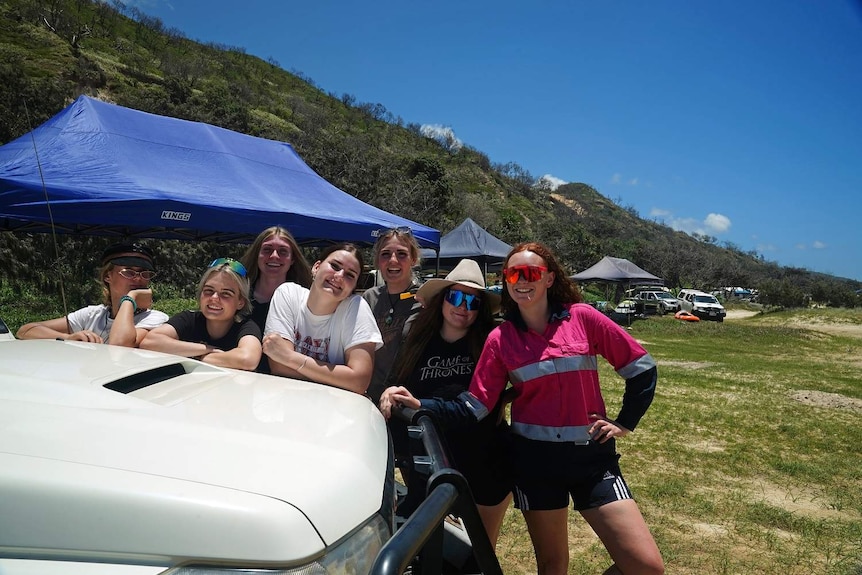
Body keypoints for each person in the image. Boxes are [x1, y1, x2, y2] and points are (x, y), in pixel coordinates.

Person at [384, 242, 664, 575]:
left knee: (646, 566)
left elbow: (641, 367)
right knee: (552, 564)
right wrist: (421, 405)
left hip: (592, 457)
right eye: (514, 273)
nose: (522, 280)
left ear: (549, 278)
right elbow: (475, 406)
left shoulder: (583, 317)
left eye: (531, 272)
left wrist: (625, 422)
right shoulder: (500, 339)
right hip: (535, 461)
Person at [379, 259, 512, 546]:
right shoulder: (417, 338)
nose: (463, 307)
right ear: (442, 299)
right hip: (428, 458)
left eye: (473, 302)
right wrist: (390, 392)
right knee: (428, 548)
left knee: (478, 552)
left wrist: (420, 404)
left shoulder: (491, 342)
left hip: (484, 460)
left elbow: (479, 407)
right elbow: (395, 380)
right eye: (456, 296)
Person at [263, 243, 383, 394]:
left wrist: (289, 357)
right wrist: (340, 379)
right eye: (334, 266)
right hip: (286, 401)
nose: (339, 276)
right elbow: (279, 367)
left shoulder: (356, 308)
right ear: (316, 267)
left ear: (353, 288)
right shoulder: (288, 294)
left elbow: (359, 381)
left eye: (350, 275)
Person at [16, 242, 168, 346]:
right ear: (107, 276)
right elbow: (25, 330)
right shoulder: (92, 315)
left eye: (145, 274)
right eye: (128, 272)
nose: (137, 278)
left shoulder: (155, 318)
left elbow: (120, 344)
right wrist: (69, 338)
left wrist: (130, 299)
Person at [140, 258, 262, 371]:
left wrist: (201, 357)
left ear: (240, 302)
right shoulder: (188, 319)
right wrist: (207, 349)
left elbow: (248, 359)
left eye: (226, 294)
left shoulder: (247, 327)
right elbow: (149, 342)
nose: (214, 298)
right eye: (209, 290)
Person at [362, 226, 423, 403]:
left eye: (402, 254)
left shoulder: (426, 299)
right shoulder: (369, 298)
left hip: (405, 399)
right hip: (368, 398)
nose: (393, 260)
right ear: (378, 261)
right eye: (386, 254)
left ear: (413, 259)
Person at [240, 226, 313, 372]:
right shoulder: (238, 297)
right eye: (267, 249)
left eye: (283, 251)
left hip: (284, 384)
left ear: (292, 259)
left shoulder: (305, 303)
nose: (274, 256)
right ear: (257, 255)